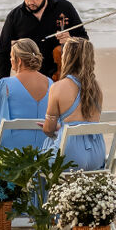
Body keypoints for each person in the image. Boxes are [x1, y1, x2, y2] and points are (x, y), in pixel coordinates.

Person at [0, 0, 87, 82]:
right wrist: (1, 83)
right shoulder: (14, 17)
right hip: (30, 81)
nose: (30, 2)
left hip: (62, 78)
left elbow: (85, 40)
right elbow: (3, 52)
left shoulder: (65, 8)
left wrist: (72, 40)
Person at [0, 38, 52, 153]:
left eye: (11, 57)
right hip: (45, 148)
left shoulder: (5, 85)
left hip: (14, 151)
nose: (10, 60)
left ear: (19, 60)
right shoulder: (51, 84)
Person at [40, 37, 106, 171]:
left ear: (67, 58)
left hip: (70, 155)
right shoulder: (96, 89)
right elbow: (84, 122)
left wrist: (56, 127)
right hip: (97, 154)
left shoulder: (58, 87)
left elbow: (48, 129)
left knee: (37, 163)